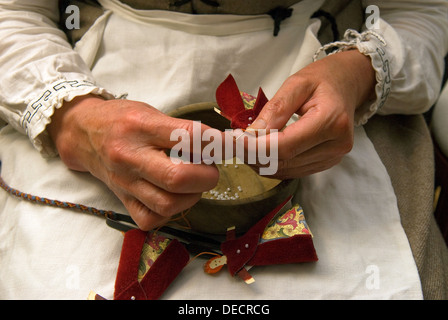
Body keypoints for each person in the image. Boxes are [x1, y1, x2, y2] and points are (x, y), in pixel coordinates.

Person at [0, 0, 447, 299]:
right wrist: (75, 119)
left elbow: (423, 15)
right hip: (93, 79)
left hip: (326, 85)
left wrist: (359, 72)